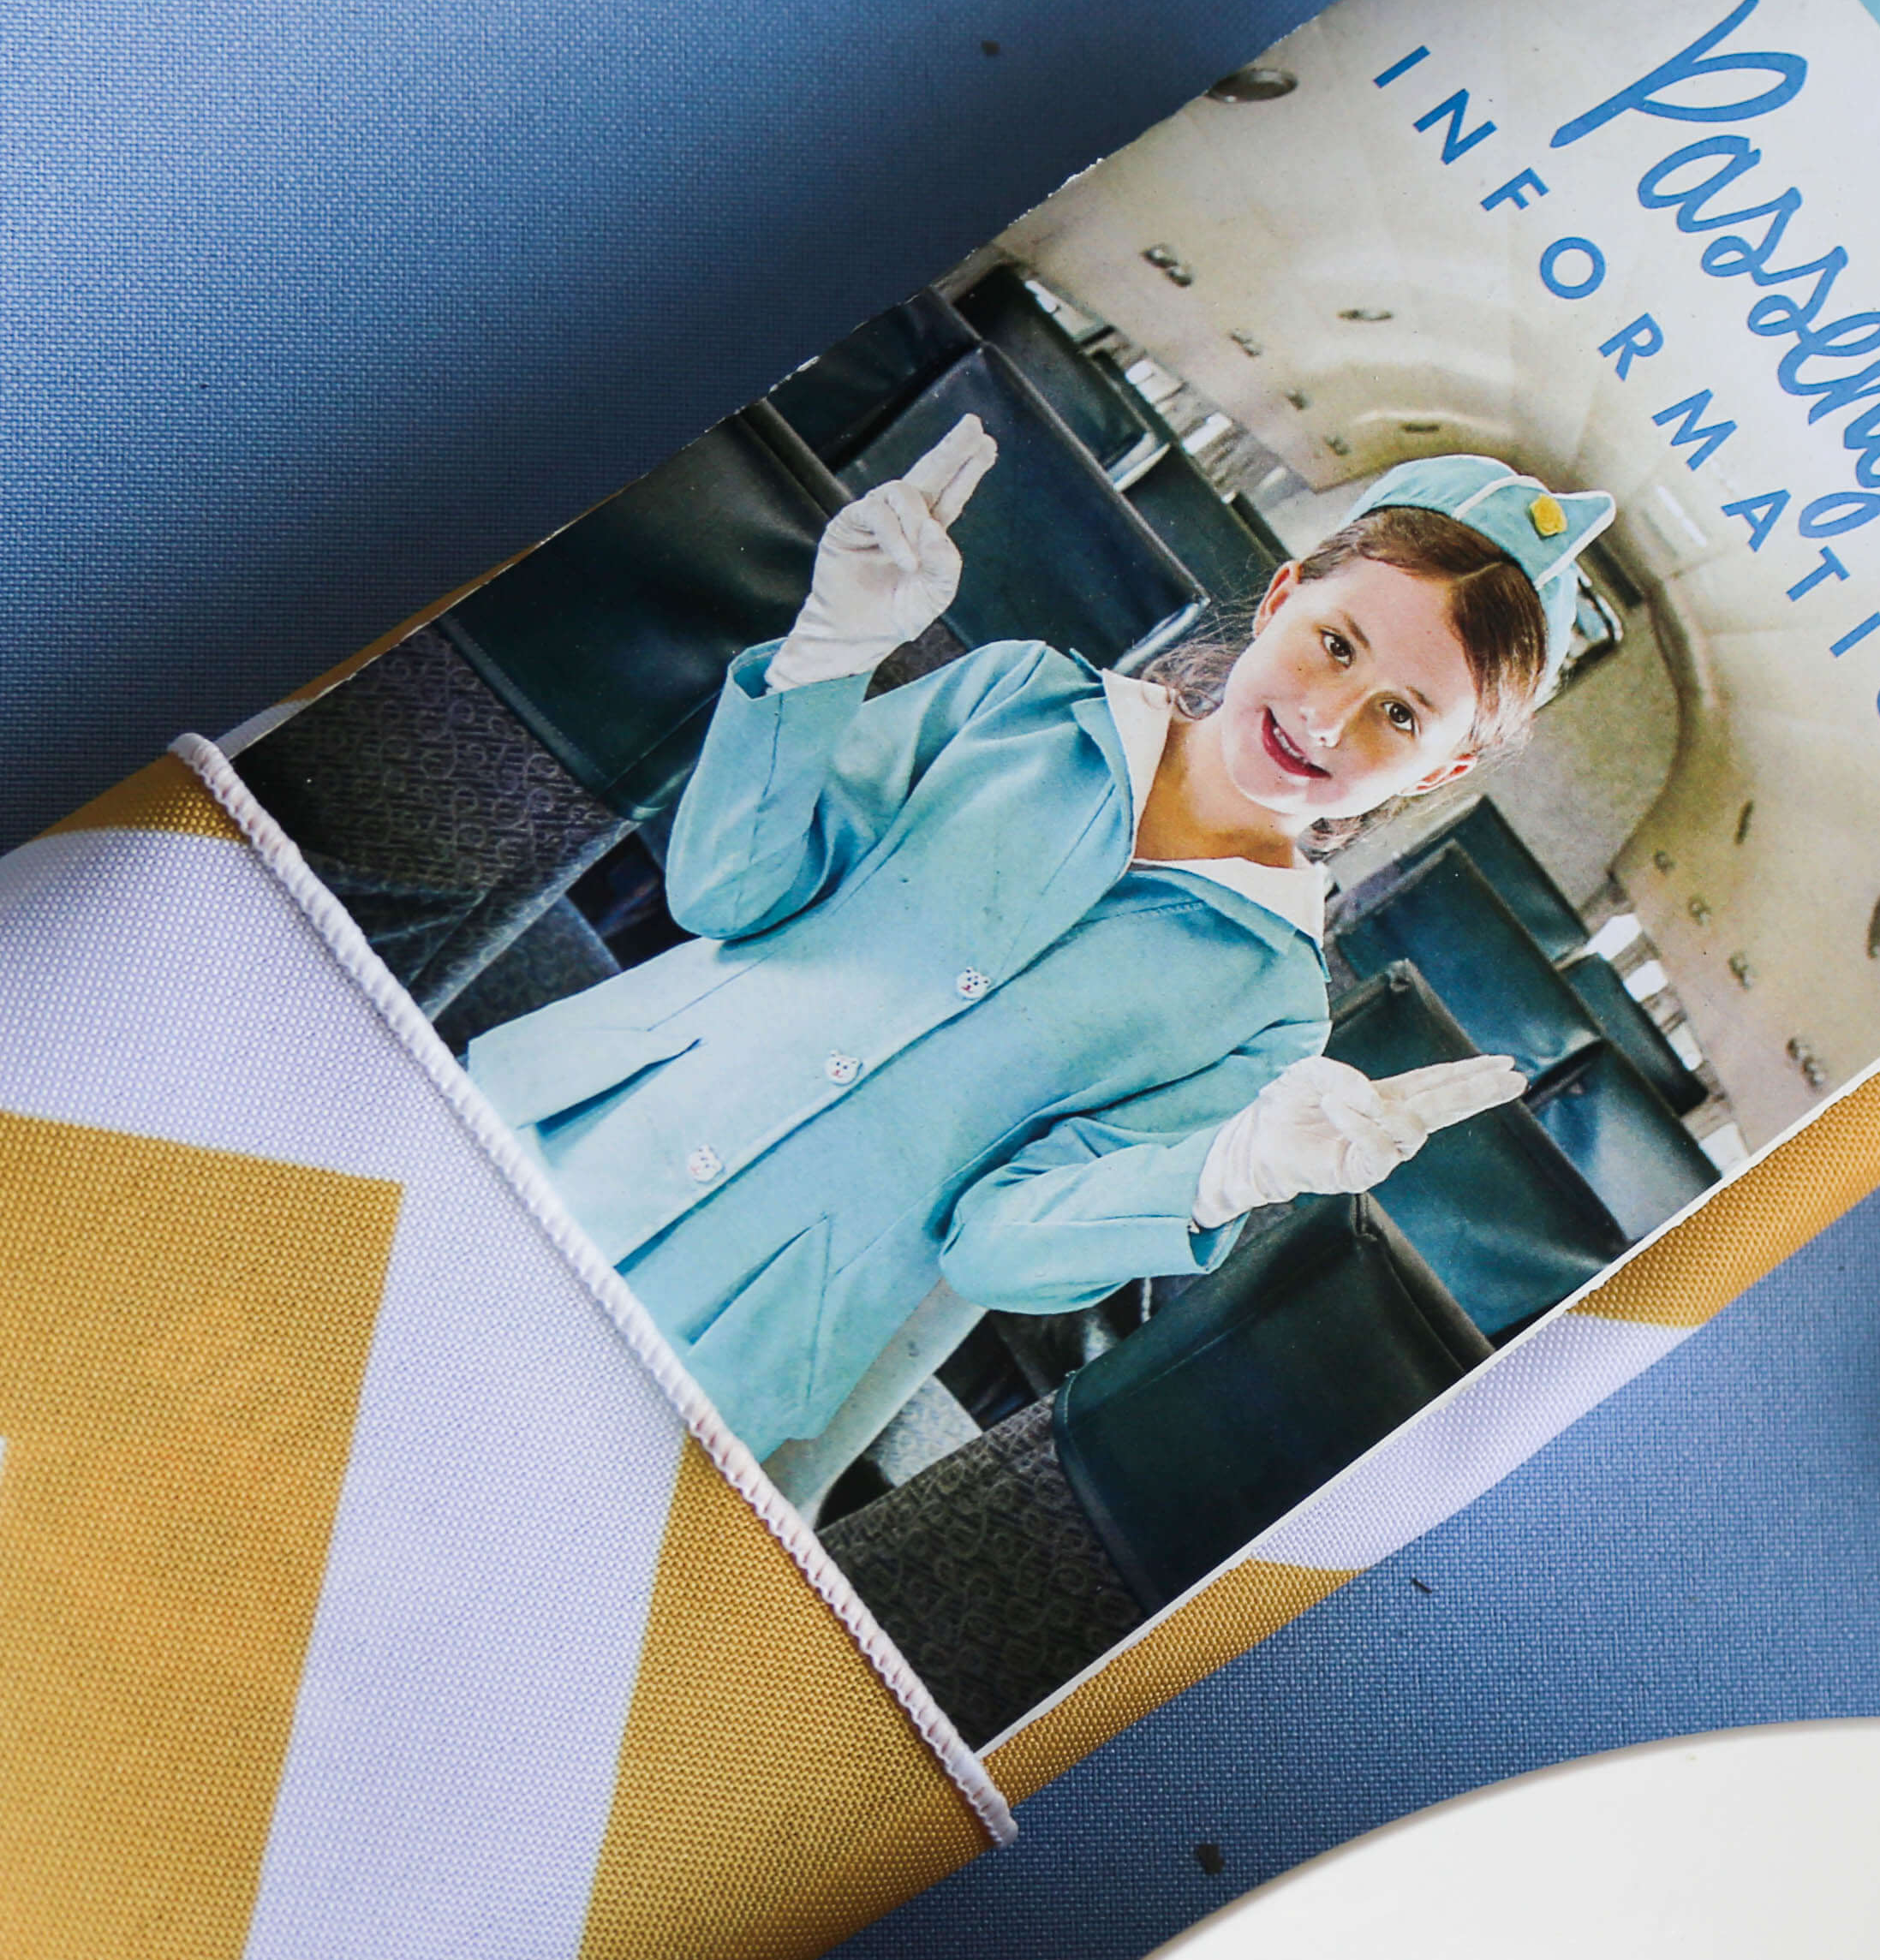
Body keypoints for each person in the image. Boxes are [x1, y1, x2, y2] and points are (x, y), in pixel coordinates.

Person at [465, 425, 1617, 1463]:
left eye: (1404, 717)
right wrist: (822, 659)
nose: (1331, 715)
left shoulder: (1271, 1013)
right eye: (1336, 643)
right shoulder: (1017, 698)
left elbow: (998, 1250)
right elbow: (728, 889)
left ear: (1446, 770)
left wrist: (1223, 1176)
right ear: (1279, 599)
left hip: (726, 1337)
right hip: (563, 1134)